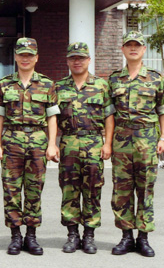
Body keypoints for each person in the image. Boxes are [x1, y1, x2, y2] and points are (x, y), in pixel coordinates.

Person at [0, 37, 60, 256]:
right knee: (11, 190)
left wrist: (52, 144)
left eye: (29, 55)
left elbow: (52, 118)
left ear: (36, 58)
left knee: (34, 190)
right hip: (12, 141)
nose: (25, 58)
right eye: (21, 54)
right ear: (15, 57)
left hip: (38, 143)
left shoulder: (48, 84)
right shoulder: (3, 84)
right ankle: (15, 236)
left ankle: (31, 236)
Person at [109, 31, 164, 257]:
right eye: (129, 45)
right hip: (121, 140)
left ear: (144, 50)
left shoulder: (156, 78)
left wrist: (163, 137)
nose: (133, 48)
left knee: (145, 189)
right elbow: (108, 114)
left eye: (137, 45)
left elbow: (163, 110)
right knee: (122, 190)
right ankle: (126, 237)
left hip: (147, 139)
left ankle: (143, 238)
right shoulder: (114, 78)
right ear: (123, 50)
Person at [55, 42, 114, 254]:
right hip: (69, 143)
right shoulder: (59, 87)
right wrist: (52, 144)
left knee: (92, 189)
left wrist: (107, 143)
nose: (77, 62)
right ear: (68, 61)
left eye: (81, 58)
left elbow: (109, 116)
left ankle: (89, 235)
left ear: (89, 60)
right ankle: (72, 235)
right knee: (69, 190)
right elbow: (51, 118)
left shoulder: (101, 86)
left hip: (94, 144)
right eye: (73, 58)